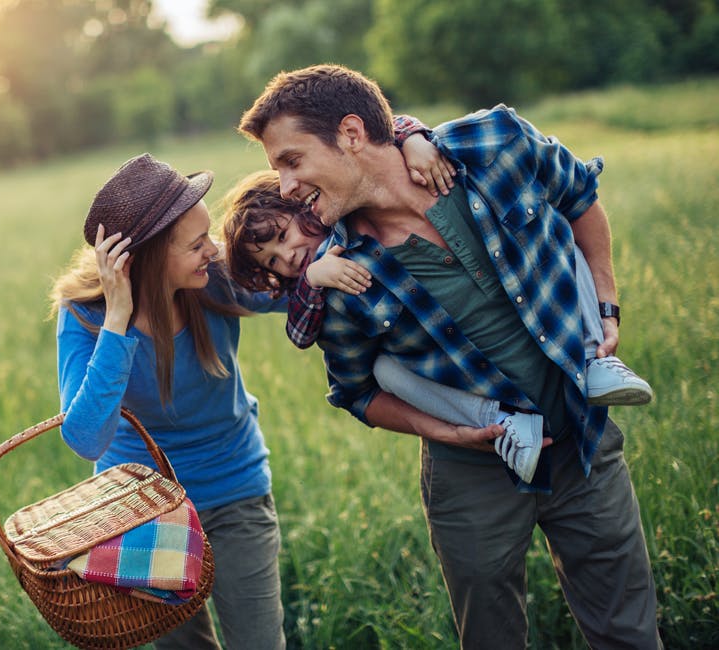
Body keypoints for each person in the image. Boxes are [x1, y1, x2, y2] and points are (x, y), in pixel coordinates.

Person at [238, 64, 662, 648]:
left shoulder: (493, 144)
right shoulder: (340, 277)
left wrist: (607, 304)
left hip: (584, 440)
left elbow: (579, 195)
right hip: (473, 475)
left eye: (291, 160)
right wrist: (446, 432)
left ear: (353, 134)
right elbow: (358, 391)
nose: (285, 187)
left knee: (630, 631)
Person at [222, 170, 651, 483]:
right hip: (456, 389)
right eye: (273, 262)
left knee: (557, 233)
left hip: (541, 357)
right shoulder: (322, 285)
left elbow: (378, 137)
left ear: (300, 204)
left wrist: (413, 140)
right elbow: (302, 338)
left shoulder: (353, 213)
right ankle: (503, 423)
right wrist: (314, 280)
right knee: (385, 370)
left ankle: (596, 359)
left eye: (282, 236)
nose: (288, 256)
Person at [50, 153, 287, 649]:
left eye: (210, 237)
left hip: (234, 491)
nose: (214, 250)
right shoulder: (85, 314)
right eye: (197, 244)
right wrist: (118, 318)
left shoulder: (214, 279)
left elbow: (296, 282)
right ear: (148, 259)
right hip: (143, 513)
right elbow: (86, 437)